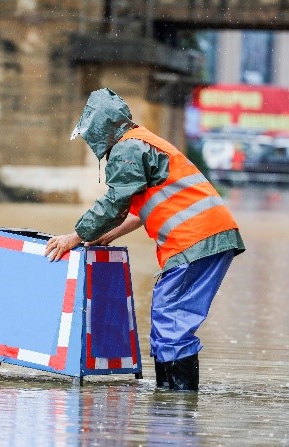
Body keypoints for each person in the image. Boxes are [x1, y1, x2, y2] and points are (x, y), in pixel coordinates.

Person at [44, 88, 245, 391]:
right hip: (208, 237)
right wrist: (105, 236)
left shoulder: (127, 148)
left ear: (101, 127)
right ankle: (170, 400)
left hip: (195, 240)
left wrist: (75, 236)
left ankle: (177, 406)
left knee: (171, 318)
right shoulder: (143, 142)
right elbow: (138, 211)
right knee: (170, 317)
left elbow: (114, 203)